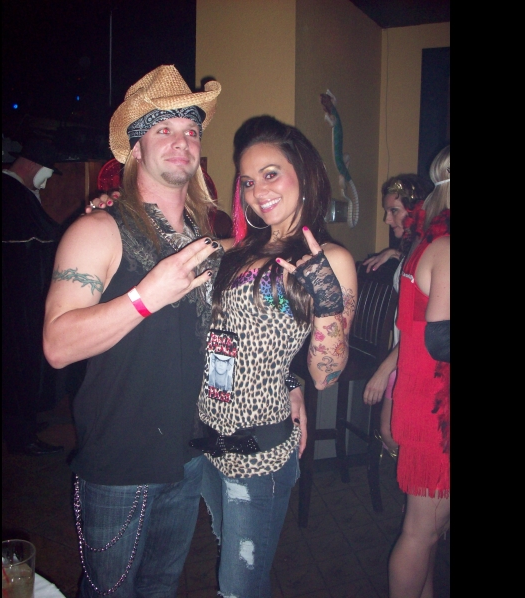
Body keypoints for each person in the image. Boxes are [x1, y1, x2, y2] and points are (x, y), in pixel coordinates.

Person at [42, 64, 229, 597]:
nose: (181, 140)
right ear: (136, 148)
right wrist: (146, 296)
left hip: (189, 456)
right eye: (162, 129)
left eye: (190, 130)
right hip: (120, 464)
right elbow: (57, 346)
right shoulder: (97, 229)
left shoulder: (204, 238)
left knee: (161, 588)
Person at [190, 115, 358, 597]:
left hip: (258, 451)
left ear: (302, 175)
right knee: (233, 562)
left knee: (238, 586)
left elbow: (327, 374)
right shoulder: (236, 251)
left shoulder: (328, 259)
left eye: (270, 173)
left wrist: (327, 303)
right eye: (247, 181)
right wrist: (114, 209)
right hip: (205, 439)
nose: (257, 190)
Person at [387, 145, 450, 598]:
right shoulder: (445, 247)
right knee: (422, 532)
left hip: (424, 400)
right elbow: (441, 340)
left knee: (429, 532)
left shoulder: (430, 243)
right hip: (435, 411)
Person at [362, 174, 433, 460]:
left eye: (394, 210)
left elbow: (424, 328)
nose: (387, 219)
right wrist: (395, 253)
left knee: (395, 435)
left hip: (417, 359)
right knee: (391, 434)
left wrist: (383, 371)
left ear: (417, 209)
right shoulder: (415, 247)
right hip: (402, 355)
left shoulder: (433, 251)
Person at [2, 138, 66, 456]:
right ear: (33, 166)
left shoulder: (18, 193)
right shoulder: (11, 194)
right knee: (17, 365)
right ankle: (20, 435)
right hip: (14, 304)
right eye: (48, 171)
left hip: (18, 300)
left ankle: (23, 424)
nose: (48, 179)